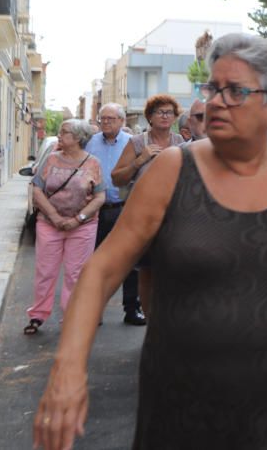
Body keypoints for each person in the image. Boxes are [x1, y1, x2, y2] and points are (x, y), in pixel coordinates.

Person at [33, 33, 267, 450]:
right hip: (183, 408)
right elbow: (101, 270)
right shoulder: (173, 170)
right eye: (213, 88)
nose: (217, 101)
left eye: (235, 91)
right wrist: (68, 370)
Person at [24, 119, 105, 336]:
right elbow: (37, 189)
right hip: (49, 224)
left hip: (82, 226)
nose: (60, 135)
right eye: (60, 131)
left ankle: (71, 317)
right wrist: (54, 216)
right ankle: (37, 315)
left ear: (78, 138)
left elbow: (99, 196)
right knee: (45, 271)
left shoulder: (93, 163)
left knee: (75, 274)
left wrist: (78, 219)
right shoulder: (50, 160)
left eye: (65, 132)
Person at [111, 93, 185, 317]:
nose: (165, 116)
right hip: (144, 215)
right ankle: (151, 322)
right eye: (159, 112)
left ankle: (169, 321)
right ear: (150, 117)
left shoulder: (180, 142)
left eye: (169, 112)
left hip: (173, 215)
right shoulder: (137, 142)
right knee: (147, 270)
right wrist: (140, 160)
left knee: (173, 270)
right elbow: (117, 178)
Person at [84, 104, 143, 326]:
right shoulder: (91, 142)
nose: (106, 122)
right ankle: (94, 310)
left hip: (124, 208)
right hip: (96, 211)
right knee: (94, 262)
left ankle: (132, 308)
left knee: (129, 262)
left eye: (111, 118)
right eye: (103, 119)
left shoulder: (132, 144)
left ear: (122, 120)